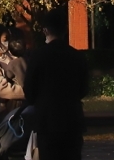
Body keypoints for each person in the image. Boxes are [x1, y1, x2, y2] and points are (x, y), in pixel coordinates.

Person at [24, 8, 88, 160]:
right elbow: (83, 89)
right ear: (65, 30)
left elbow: (29, 91)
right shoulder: (77, 56)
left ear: (45, 30)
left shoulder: (37, 56)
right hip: (72, 121)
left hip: (47, 122)